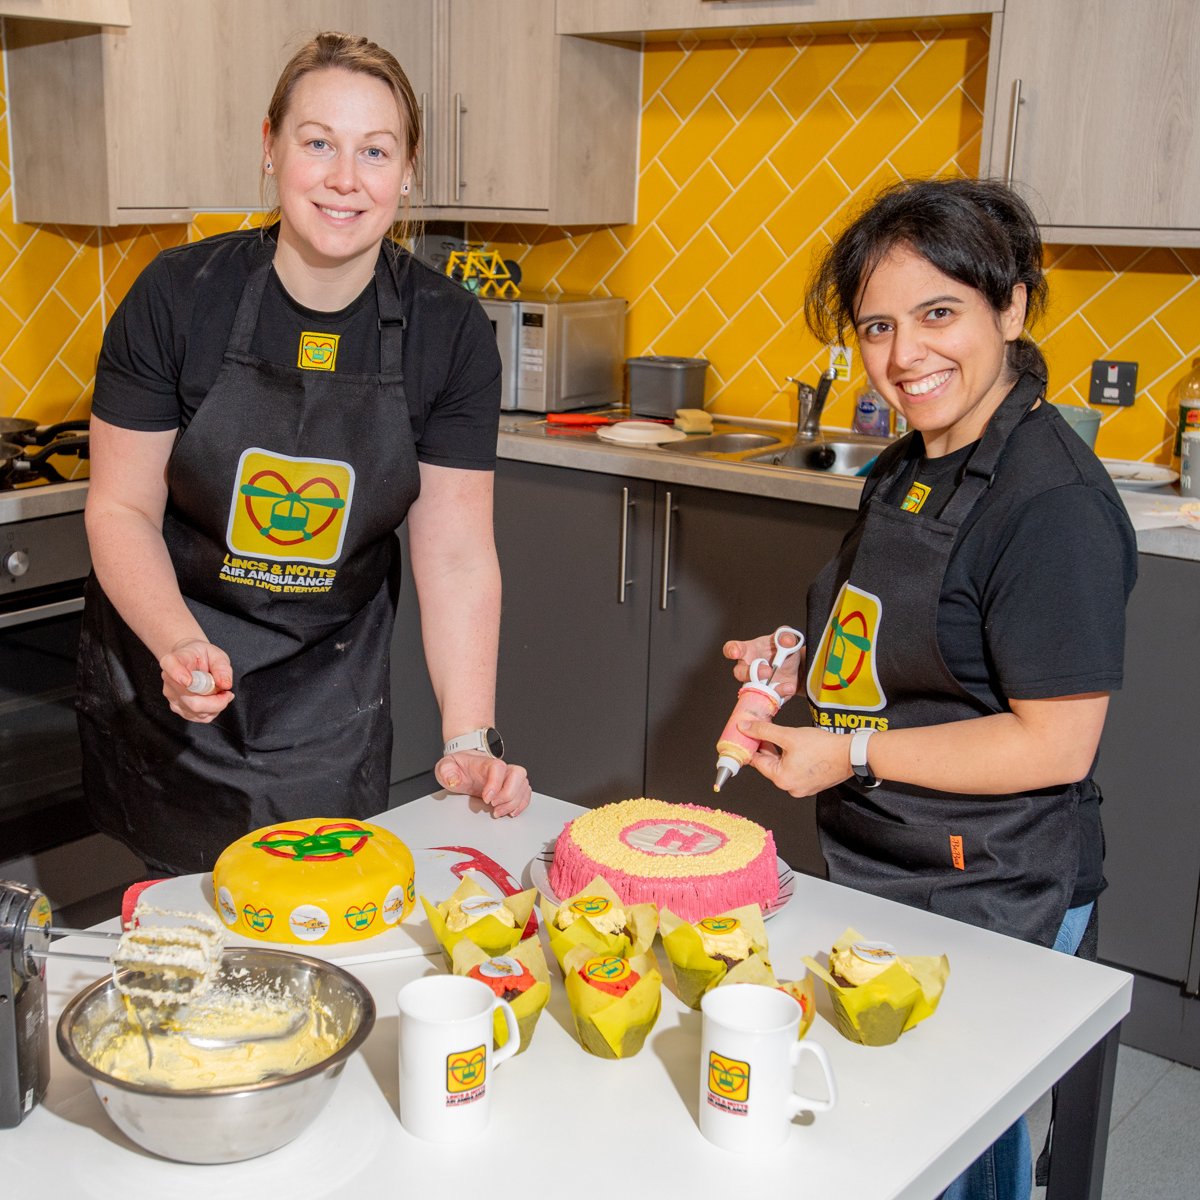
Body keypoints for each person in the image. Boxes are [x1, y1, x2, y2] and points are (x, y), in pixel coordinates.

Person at [724, 178, 1136, 1200]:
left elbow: (1054, 745)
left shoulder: (1054, 507)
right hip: (887, 860)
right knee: (899, 1137)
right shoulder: (913, 463)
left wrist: (851, 752)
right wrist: (792, 659)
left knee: (946, 1147)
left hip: (993, 886)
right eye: (878, 326)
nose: (905, 357)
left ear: (1013, 308)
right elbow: (893, 637)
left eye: (938, 314)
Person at [80, 32, 530, 877]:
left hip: (328, 701)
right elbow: (120, 507)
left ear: (408, 173)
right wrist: (179, 648)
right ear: (270, 147)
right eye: (318, 141)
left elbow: (459, 554)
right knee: (181, 946)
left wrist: (471, 737)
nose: (344, 177)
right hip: (178, 681)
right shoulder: (179, 299)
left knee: (319, 930)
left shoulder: (448, 332)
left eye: (375, 151)